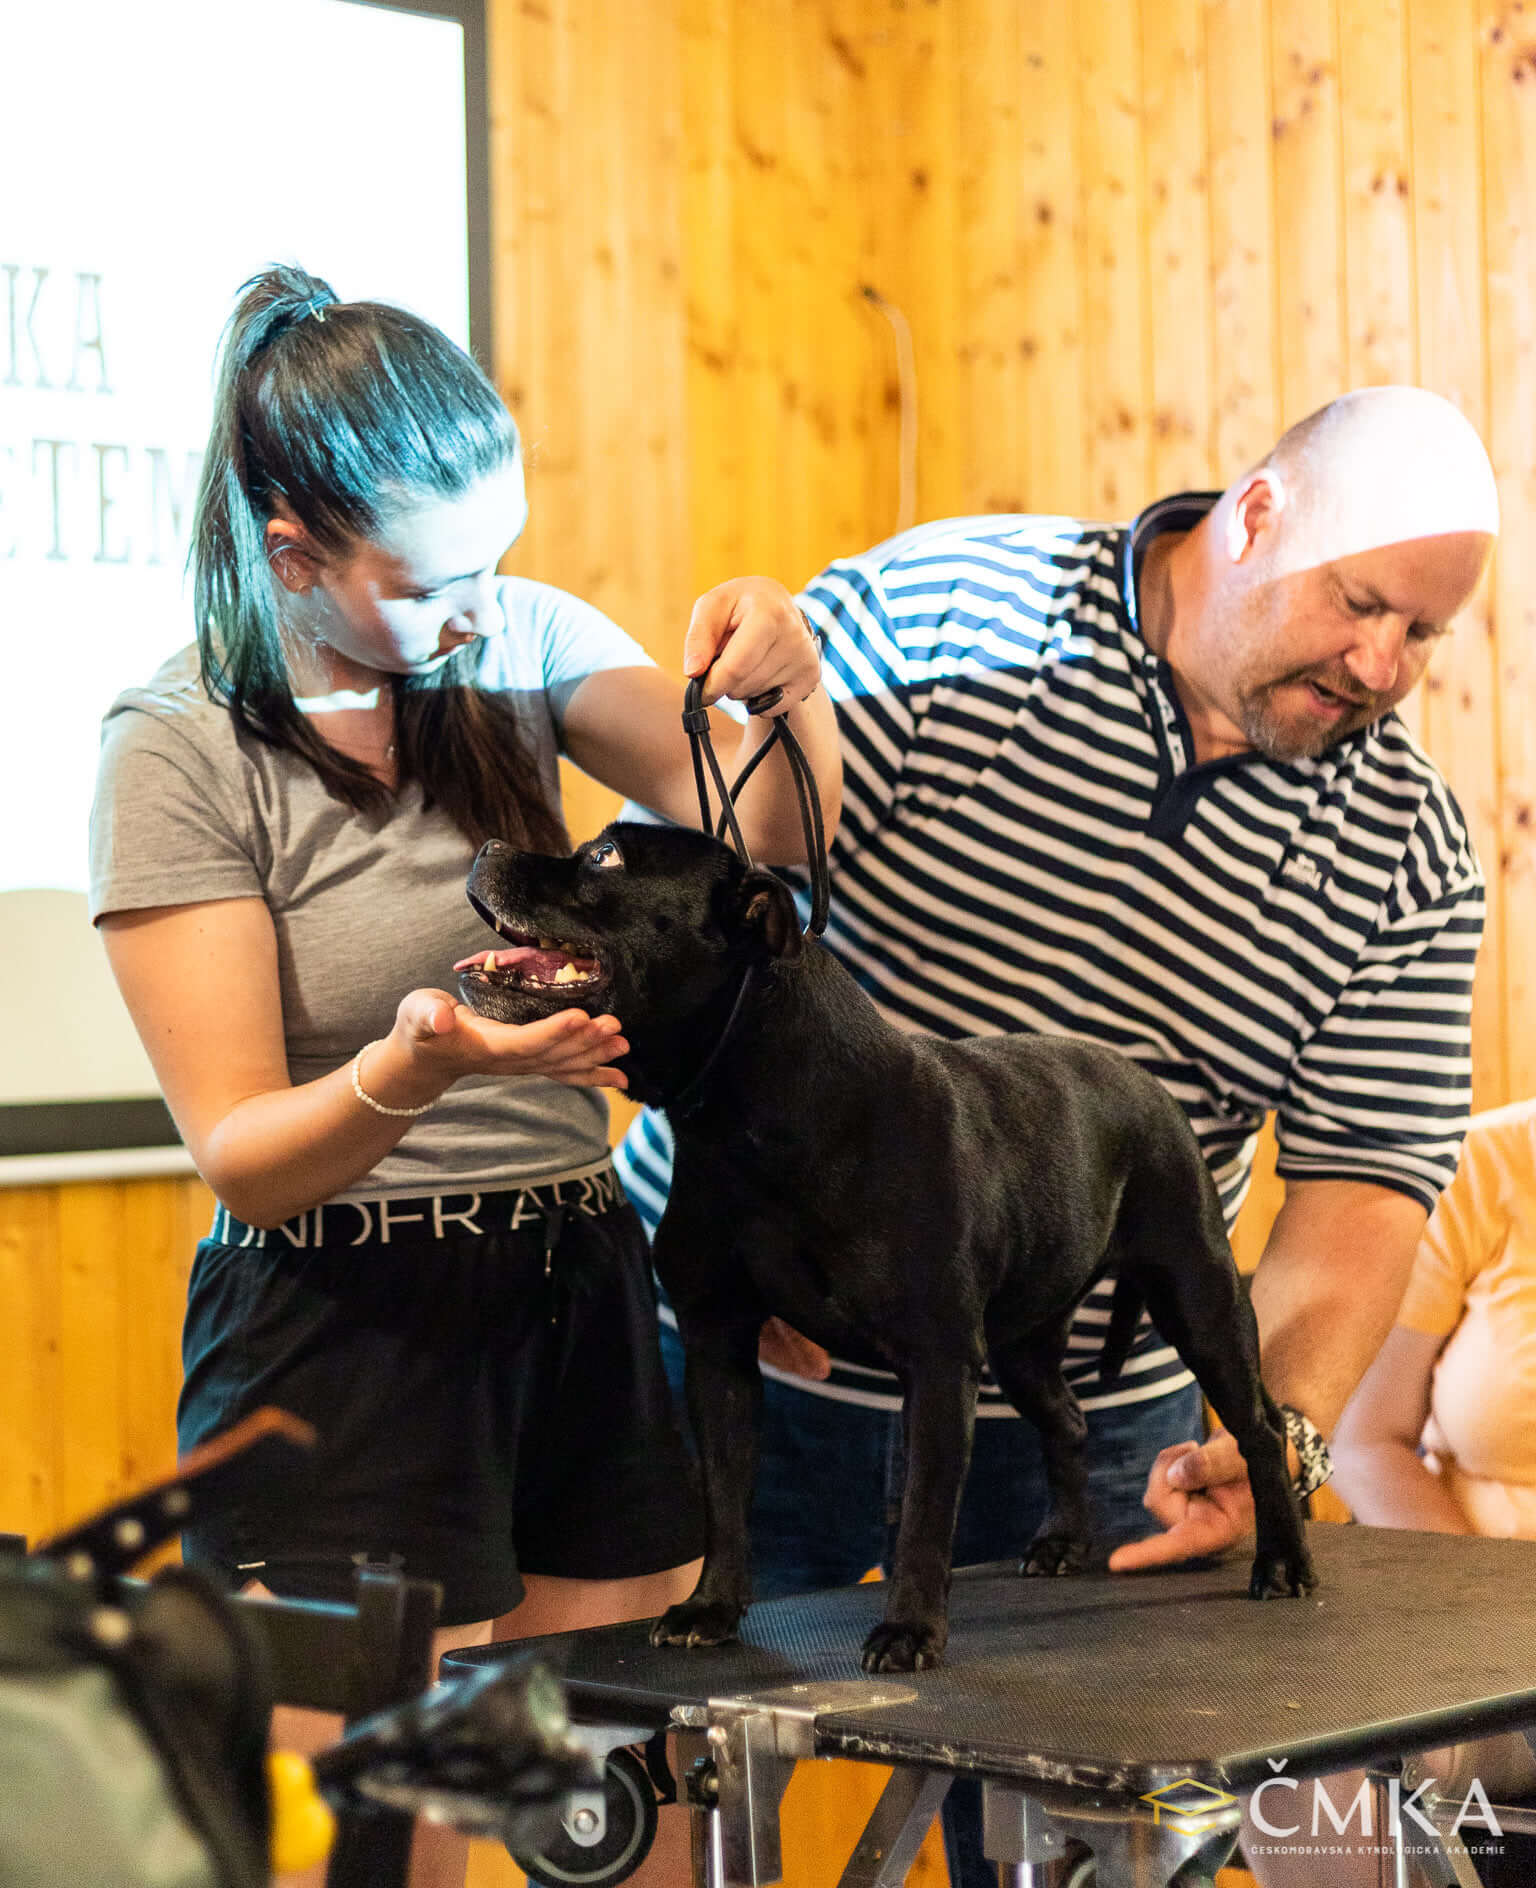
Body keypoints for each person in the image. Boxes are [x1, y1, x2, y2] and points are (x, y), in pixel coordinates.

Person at [615, 385, 1499, 1885]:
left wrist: (1259, 1434)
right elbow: (751, 860)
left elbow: (1360, 1195)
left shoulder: (1407, 845)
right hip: (747, 1360)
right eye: (1362, 607)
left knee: (1071, 1859)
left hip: (1082, 1420)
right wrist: (775, 689)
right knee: (654, 1799)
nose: (1381, 665)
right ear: (1257, 514)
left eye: (1423, 637)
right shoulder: (952, 613)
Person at [87, 264, 840, 1888]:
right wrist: (411, 1070)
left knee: (636, 1816)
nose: (482, 612)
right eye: (433, 584)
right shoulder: (175, 747)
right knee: (378, 1851)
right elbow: (244, 1157)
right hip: (341, 1328)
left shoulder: (517, 643)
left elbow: (761, 861)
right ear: (292, 553)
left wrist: (793, 695)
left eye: (498, 562)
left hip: (576, 1285)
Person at [1243, 1096, 1536, 1888]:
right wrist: (1503, 1613)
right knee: (1303, 1734)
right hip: (1481, 1640)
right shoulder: (1490, 1164)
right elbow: (1367, 1441)